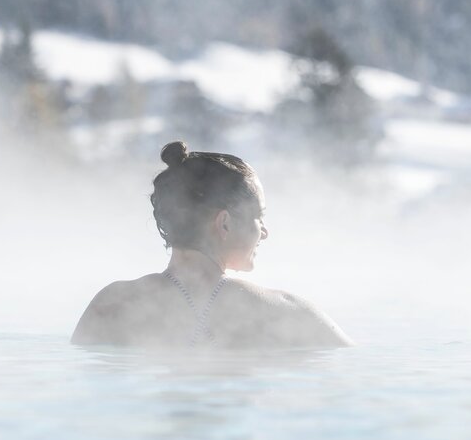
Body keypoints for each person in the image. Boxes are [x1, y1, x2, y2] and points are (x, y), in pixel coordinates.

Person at [72, 141, 352, 349]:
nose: (264, 232)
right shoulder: (286, 312)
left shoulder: (113, 304)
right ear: (225, 224)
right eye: (259, 216)